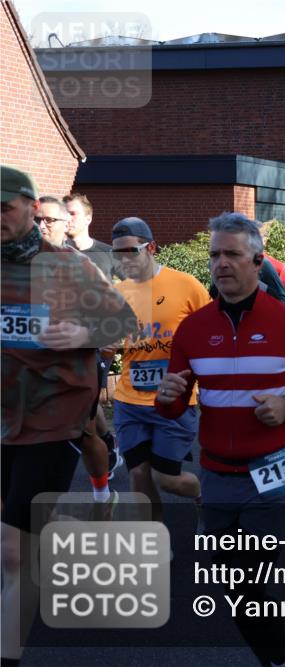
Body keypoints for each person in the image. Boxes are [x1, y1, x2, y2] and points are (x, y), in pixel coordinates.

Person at [157, 212, 285, 667]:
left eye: (232, 254)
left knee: (248, 579)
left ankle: (280, 661)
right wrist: (167, 398)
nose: (221, 263)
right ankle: (278, 657)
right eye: (215, 254)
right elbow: (173, 408)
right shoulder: (193, 329)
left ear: (258, 261)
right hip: (215, 474)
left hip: (272, 471)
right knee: (230, 579)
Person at [2, 166, 137, 667]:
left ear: (29, 209)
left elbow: (122, 321)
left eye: (4, 207)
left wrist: (81, 335)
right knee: (9, 545)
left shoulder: (68, 266)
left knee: (14, 550)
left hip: (53, 415)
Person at [110, 217, 211, 524]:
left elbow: (211, 335)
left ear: (151, 247)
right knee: (139, 476)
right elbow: (108, 342)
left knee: (165, 478)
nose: (125, 259)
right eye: (118, 254)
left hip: (175, 399)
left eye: (131, 251)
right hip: (130, 401)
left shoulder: (187, 286)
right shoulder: (118, 292)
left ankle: (205, 497)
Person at [35, 197, 120, 505]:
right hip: (30, 365)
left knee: (82, 432)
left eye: (49, 220)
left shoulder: (80, 264)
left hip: (77, 361)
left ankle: (101, 493)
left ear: (64, 224)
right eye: (36, 220)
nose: (41, 226)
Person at [64, 192, 119, 464]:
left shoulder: (107, 254)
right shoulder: (55, 253)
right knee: (81, 400)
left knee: (86, 400)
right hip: (65, 341)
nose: (67, 219)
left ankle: (102, 449)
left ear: (88, 217)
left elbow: (131, 293)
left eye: (72, 213)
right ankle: (104, 443)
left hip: (99, 342)